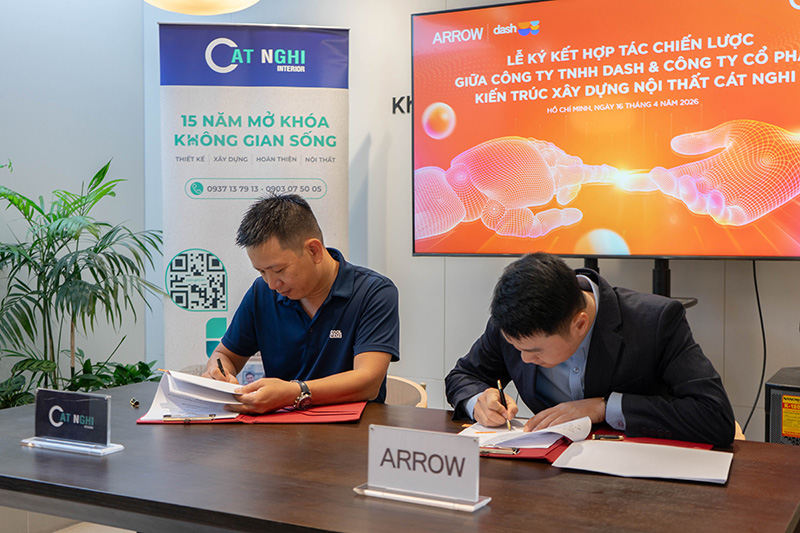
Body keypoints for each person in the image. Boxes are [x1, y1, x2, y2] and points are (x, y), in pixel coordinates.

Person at [445, 252, 735, 446]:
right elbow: (463, 376)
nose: (524, 359)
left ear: (579, 324)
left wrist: (604, 408)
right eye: (516, 348)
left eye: (536, 351)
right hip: (544, 477)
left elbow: (714, 416)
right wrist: (478, 400)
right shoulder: (512, 325)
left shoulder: (655, 321)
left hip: (635, 478)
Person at [204, 194, 400, 414]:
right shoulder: (262, 293)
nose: (272, 284)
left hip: (352, 430)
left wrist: (294, 392)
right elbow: (225, 355)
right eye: (262, 272)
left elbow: (368, 382)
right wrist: (218, 372)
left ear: (314, 250)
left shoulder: (373, 292)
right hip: (276, 430)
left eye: (279, 270)